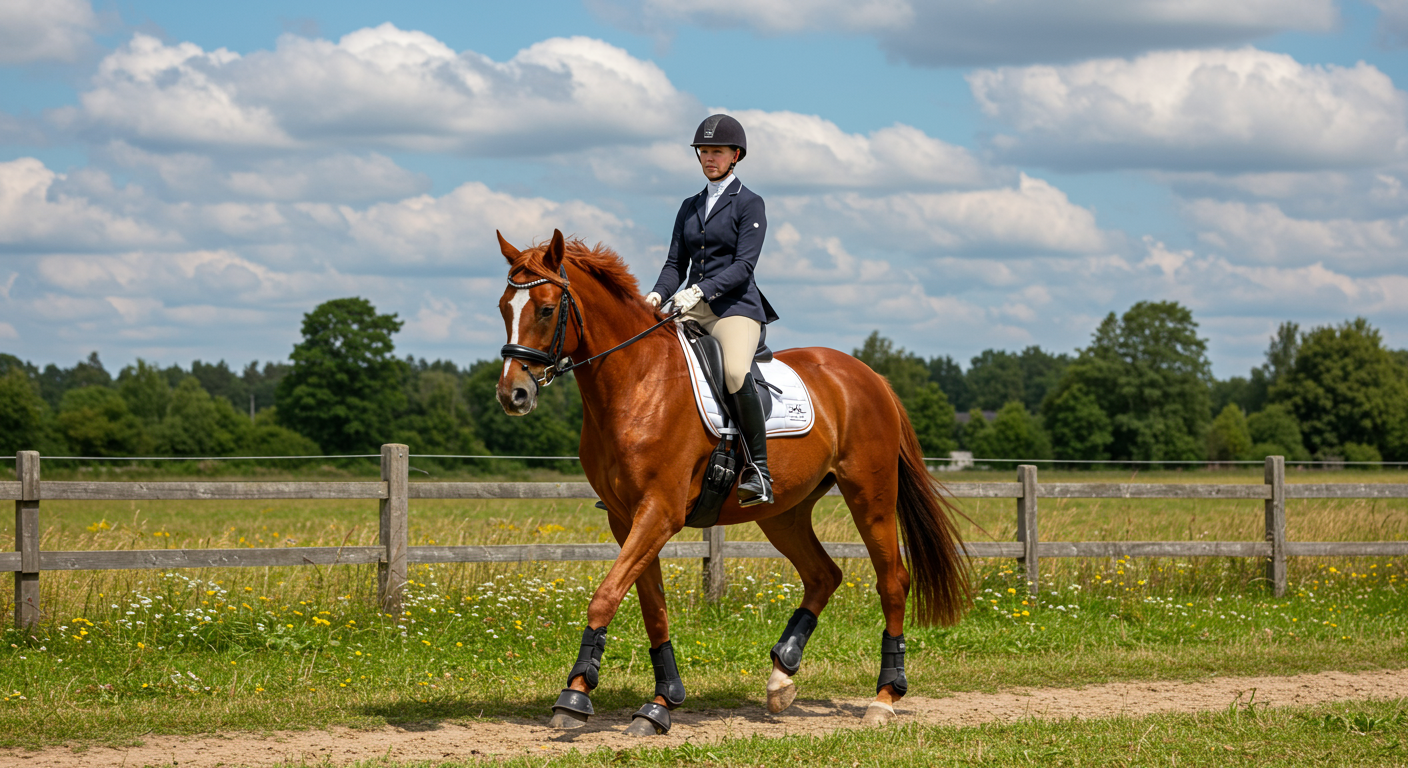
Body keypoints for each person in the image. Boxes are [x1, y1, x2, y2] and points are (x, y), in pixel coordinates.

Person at [646, 114, 779, 506]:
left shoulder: (750, 203)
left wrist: (699, 291)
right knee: (652, 361)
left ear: (735, 155)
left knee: (735, 371)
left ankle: (759, 469)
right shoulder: (689, 206)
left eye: (716, 151)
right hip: (693, 307)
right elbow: (675, 265)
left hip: (735, 308)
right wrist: (655, 296)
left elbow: (744, 267)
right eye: (704, 151)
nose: (709, 158)